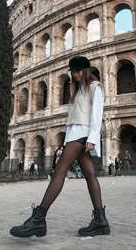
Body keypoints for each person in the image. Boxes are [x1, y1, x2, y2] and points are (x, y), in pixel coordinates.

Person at [10, 56, 110, 238]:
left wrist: (93, 137)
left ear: (86, 70)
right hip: (75, 134)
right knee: (89, 174)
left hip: (83, 134)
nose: (76, 74)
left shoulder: (95, 87)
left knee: (59, 172)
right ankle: (100, 221)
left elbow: (97, 113)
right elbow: (73, 118)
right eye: (73, 71)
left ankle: (39, 219)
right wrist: (65, 143)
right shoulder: (77, 89)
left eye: (79, 70)